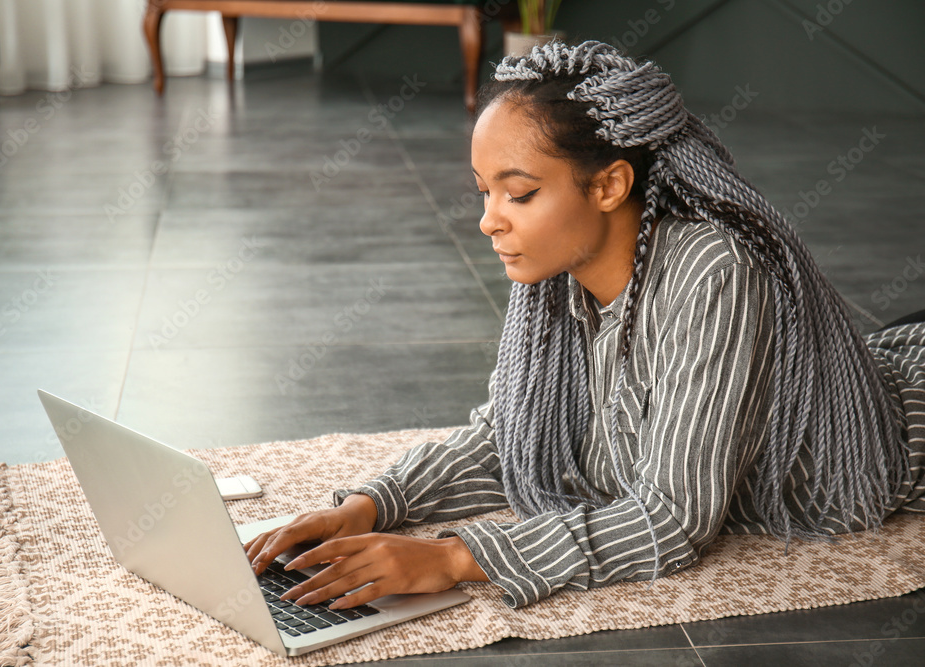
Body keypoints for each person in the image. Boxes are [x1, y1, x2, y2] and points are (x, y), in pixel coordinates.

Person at [244, 40, 925, 610]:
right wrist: (372, 502)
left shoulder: (714, 270)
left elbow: (673, 516)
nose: (489, 221)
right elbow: (509, 435)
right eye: (485, 193)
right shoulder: (551, 271)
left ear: (608, 185)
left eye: (520, 193)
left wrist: (456, 557)